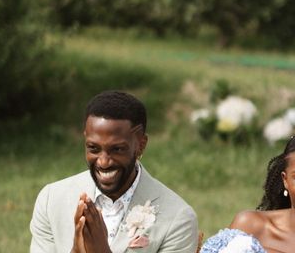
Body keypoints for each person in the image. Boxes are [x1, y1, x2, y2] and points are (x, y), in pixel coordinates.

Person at [30, 90, 199, 253]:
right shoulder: (52, 200)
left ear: (141, 145)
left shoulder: (178, 218)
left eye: (117, 149)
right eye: (93, 148)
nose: (103, 162)